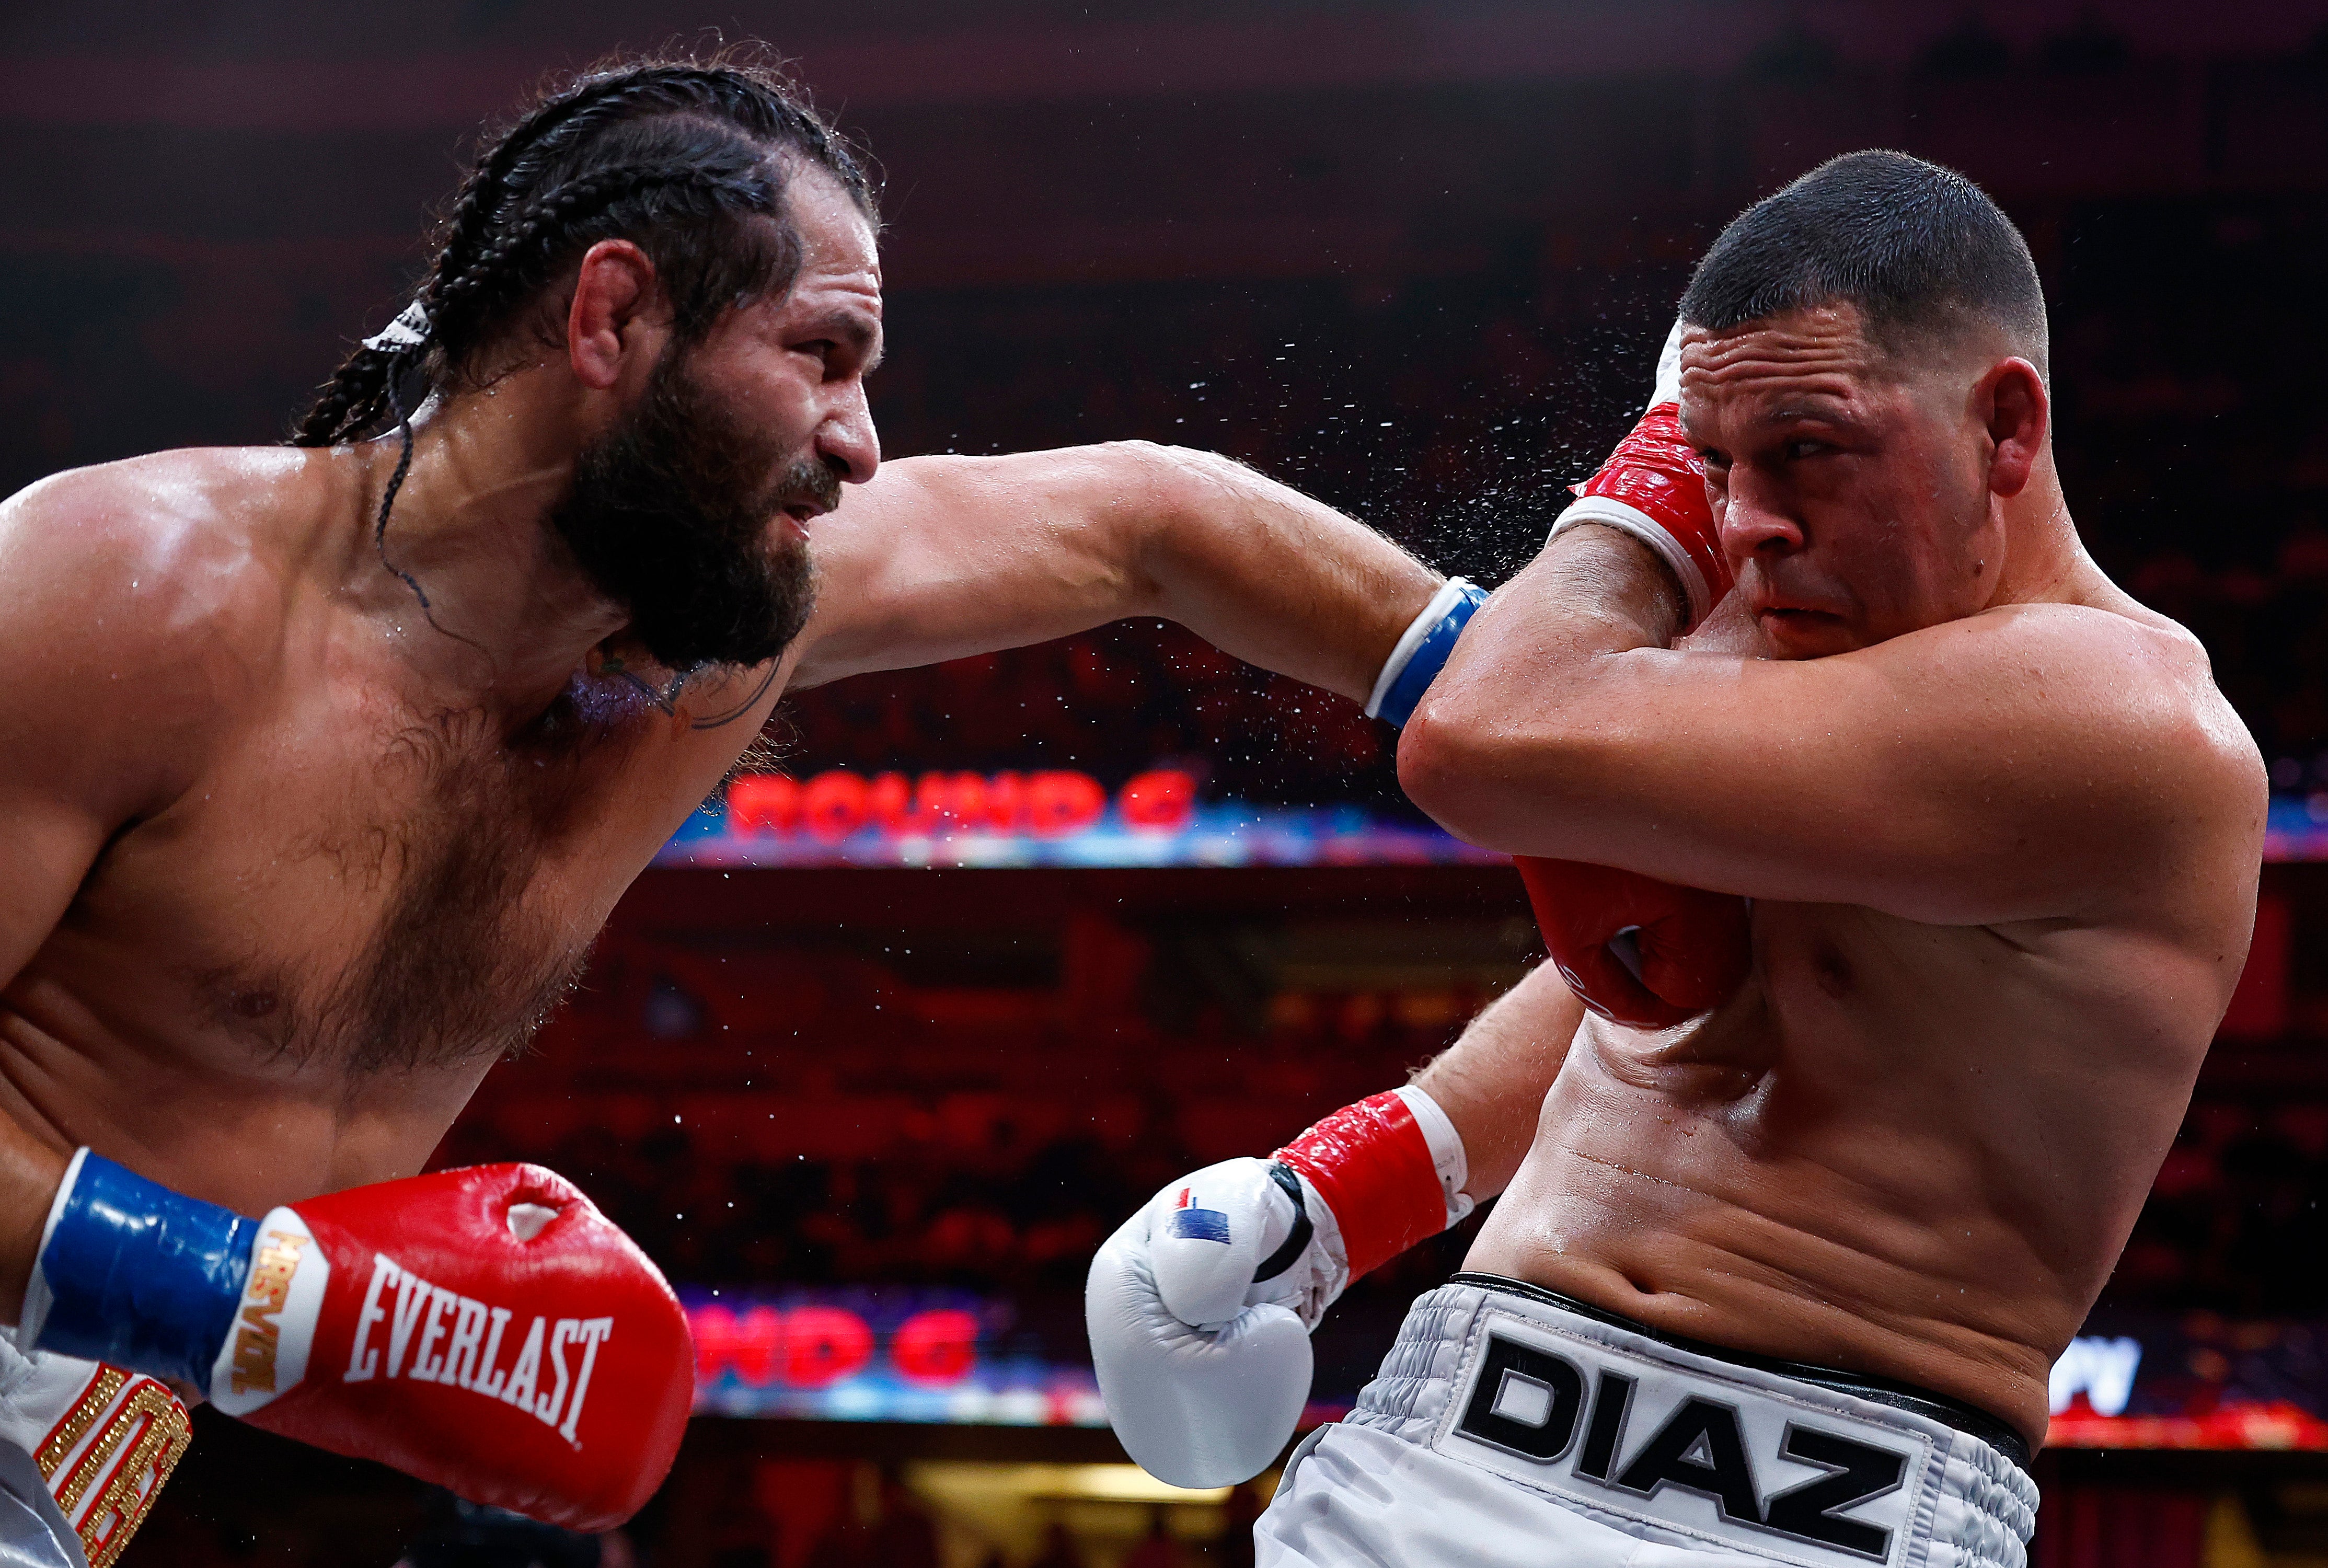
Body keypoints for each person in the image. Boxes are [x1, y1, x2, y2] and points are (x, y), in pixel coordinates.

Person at [0, 51, 1450, 1566]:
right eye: (821, 355)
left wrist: (1494, 679)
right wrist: (227, 1296)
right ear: (613, 317)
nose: (861, 442)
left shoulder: (715, 635)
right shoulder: (137, 589)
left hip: (96, 1434)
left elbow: (1147, 515)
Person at [1088, 150, 2265, 1567]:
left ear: (2005, 426)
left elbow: (1480, 735)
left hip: (1812, 1505)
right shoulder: (1806, 639)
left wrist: (1644, 494)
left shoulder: (2119, 716)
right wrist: (1339, 1196)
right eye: (1715, 464)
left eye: (1806, 449)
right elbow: (1672, 976)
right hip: (1448, 1430)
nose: (1750, 522)